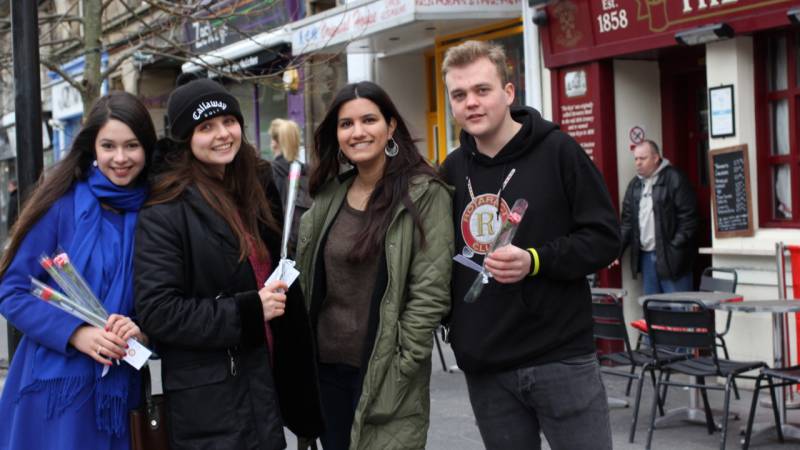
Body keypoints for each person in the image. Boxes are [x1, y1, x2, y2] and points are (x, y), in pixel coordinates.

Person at [439, 40, 621, 450]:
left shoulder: (558, 151)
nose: (471, 103)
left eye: (482, 90)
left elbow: (606, 237)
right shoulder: (450, 171)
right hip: (487, 366)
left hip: (559, 357)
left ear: (508, 92)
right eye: (459, 94)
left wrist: (536, 260)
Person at [133, 78, 324, 449]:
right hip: (212, 404)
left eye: (228, 122)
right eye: (206, 127)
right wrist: (250, 310)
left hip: (261, 385)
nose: (222, 134)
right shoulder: (166, 210)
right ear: (186, 137)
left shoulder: (252, 189)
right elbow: (158, 311)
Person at [296, 81, 453, 450]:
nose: (358, 132)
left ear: (391, 126)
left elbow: (430, 291)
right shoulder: (330, 194)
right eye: (346, 124)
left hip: (385, 373)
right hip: (326, 372)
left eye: (369, 120)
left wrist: (403, 364)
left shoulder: (424, 194)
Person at [0, 92, 155, 450]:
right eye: (108, 145)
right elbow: (12, 291)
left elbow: (166, 298)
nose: (120, 158)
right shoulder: (61, 206)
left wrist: (143, 330)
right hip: (53, 395)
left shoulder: (158, 211)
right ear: (93, 148)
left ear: (147, 148)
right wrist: (75, 334)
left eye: (131, 145)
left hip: (116, 398)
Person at [617, 139, 697, 294]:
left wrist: (675, 246)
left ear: (655, 158)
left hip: (673, 257)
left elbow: (689, 219)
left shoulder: (674, 178)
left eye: (643, 158)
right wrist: (616, 251)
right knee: (653, 308)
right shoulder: (634, 185)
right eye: (636, 159)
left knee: (679, 308)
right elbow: (627, 223)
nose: (638, 163)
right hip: (646, 256)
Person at [269, 118, 311, 256]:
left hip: (280, 243)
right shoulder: (307, 170)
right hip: (304, 242)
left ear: (275, 143)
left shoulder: (272, 171)